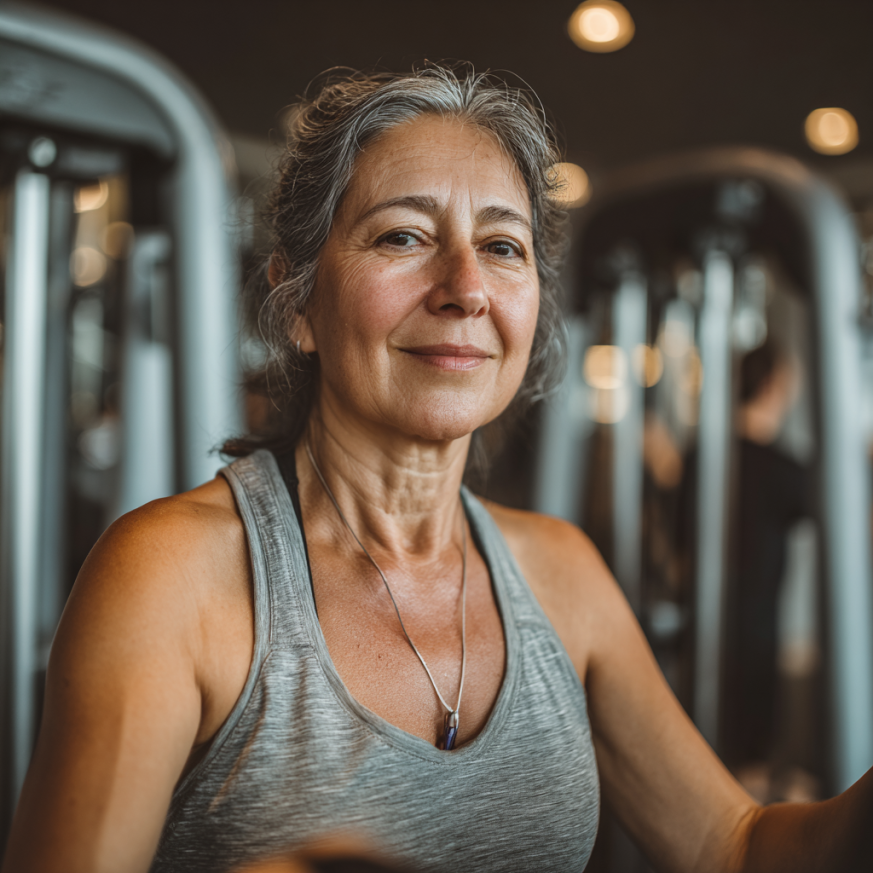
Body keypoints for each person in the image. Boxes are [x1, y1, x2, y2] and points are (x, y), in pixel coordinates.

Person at [2, 66, 871, 873]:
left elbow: (734, 843)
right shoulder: (173, 577)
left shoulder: (559, 573)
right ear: (297, 300)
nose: (465, 288)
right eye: (403, 236)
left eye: (502, 247)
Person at [723, 340, 812, 792]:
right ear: (774, 385)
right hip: (756, 633)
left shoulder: (706, 456)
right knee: (750, 764)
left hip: (706, 631)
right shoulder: (783, 469)